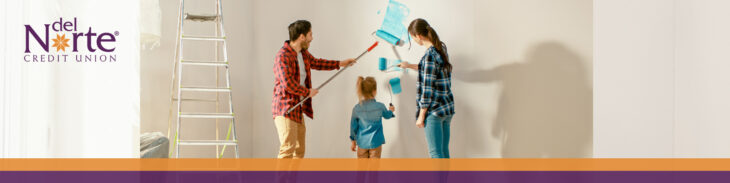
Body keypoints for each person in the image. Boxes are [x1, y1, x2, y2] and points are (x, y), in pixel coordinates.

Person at [272, 20, 356, 158]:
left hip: (297, 108)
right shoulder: (283, 56)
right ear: (302, 36)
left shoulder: (303, 53)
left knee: (299, 151)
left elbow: (317, 63)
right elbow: (287, 83)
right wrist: (307, 92)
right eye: (310, 34)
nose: (312, 37)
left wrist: (341, 63)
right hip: (285, 109)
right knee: (287, 149)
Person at [398, 18, 455, 158]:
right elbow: (430, 70)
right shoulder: (440, 48)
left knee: (435, 153)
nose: (414, 40)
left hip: (434, 112)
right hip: (446, 108)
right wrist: (409, 65)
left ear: (418, 36)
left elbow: (427, 89)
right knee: (443, 151)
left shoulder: (429, 56)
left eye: (412, 38)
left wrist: (421, 116)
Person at [349, 76, 395, 158]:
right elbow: (387, 116)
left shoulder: (357, 108)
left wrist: (353, 141)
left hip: (362, 143)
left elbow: (353, 126)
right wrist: (391, 110)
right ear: (374, 91)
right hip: (375, 143)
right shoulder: (380, 106)